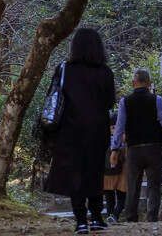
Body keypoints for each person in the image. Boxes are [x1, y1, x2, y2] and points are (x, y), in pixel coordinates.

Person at [45, 28, 116, 234]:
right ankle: (96, 217)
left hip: (69, 130)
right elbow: (109, 102)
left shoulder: (64, 69)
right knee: (94, 172)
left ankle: (80, 220)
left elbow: (54, 96)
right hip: (96, 130)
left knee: (74, 174)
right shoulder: (105, 72)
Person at [110, 67, 162, 223]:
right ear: (149, 83)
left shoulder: (125, 101)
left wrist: (114, 149)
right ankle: (152, 218)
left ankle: (131, 218)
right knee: (154, 186)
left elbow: (119, 127)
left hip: (134, 150)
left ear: (132, 83)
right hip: (153, 147)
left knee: (133, 186)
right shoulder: (156, 100)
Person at [104, 114, 127, 223]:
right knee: (122, 198)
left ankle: (110, 216)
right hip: (122, 172)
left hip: (106, 172)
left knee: (109, 199)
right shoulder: (123, 136)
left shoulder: (102, 136)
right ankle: (114, 215)